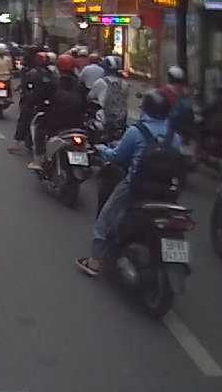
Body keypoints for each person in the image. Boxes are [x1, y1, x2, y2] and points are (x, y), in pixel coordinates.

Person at [76, 90, 182, 277]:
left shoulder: (136, 131)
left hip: (136, 186)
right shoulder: (174, 136)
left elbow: (116, 156)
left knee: (106, 218)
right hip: (166, 190)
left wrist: (101, 149)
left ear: (146, 109)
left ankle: (95, 261)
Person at [28, 54, 87, 171]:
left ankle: (38, 160)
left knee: (39, 129)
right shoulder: (80, 84)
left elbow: (38, 97)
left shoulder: (53, 83)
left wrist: (32, 103)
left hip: (56, 122)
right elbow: (86, 103)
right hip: (77, 122)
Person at [9, 51, 56, 156]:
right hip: (46, 103)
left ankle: (17, 144)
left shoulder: (34, 73)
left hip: (34, 103)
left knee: (24, 120)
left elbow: (27, 88)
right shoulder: (51, 74)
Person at [89, 56, 128, 136]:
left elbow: (90, 97)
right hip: (121, 120)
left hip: (104, 119)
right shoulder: (125, 84)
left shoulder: (101, 82)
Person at [161, 65, 195, 143]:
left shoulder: (162, 91)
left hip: (167, 131)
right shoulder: (185, 96)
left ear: (169, 78)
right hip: (181, 136)